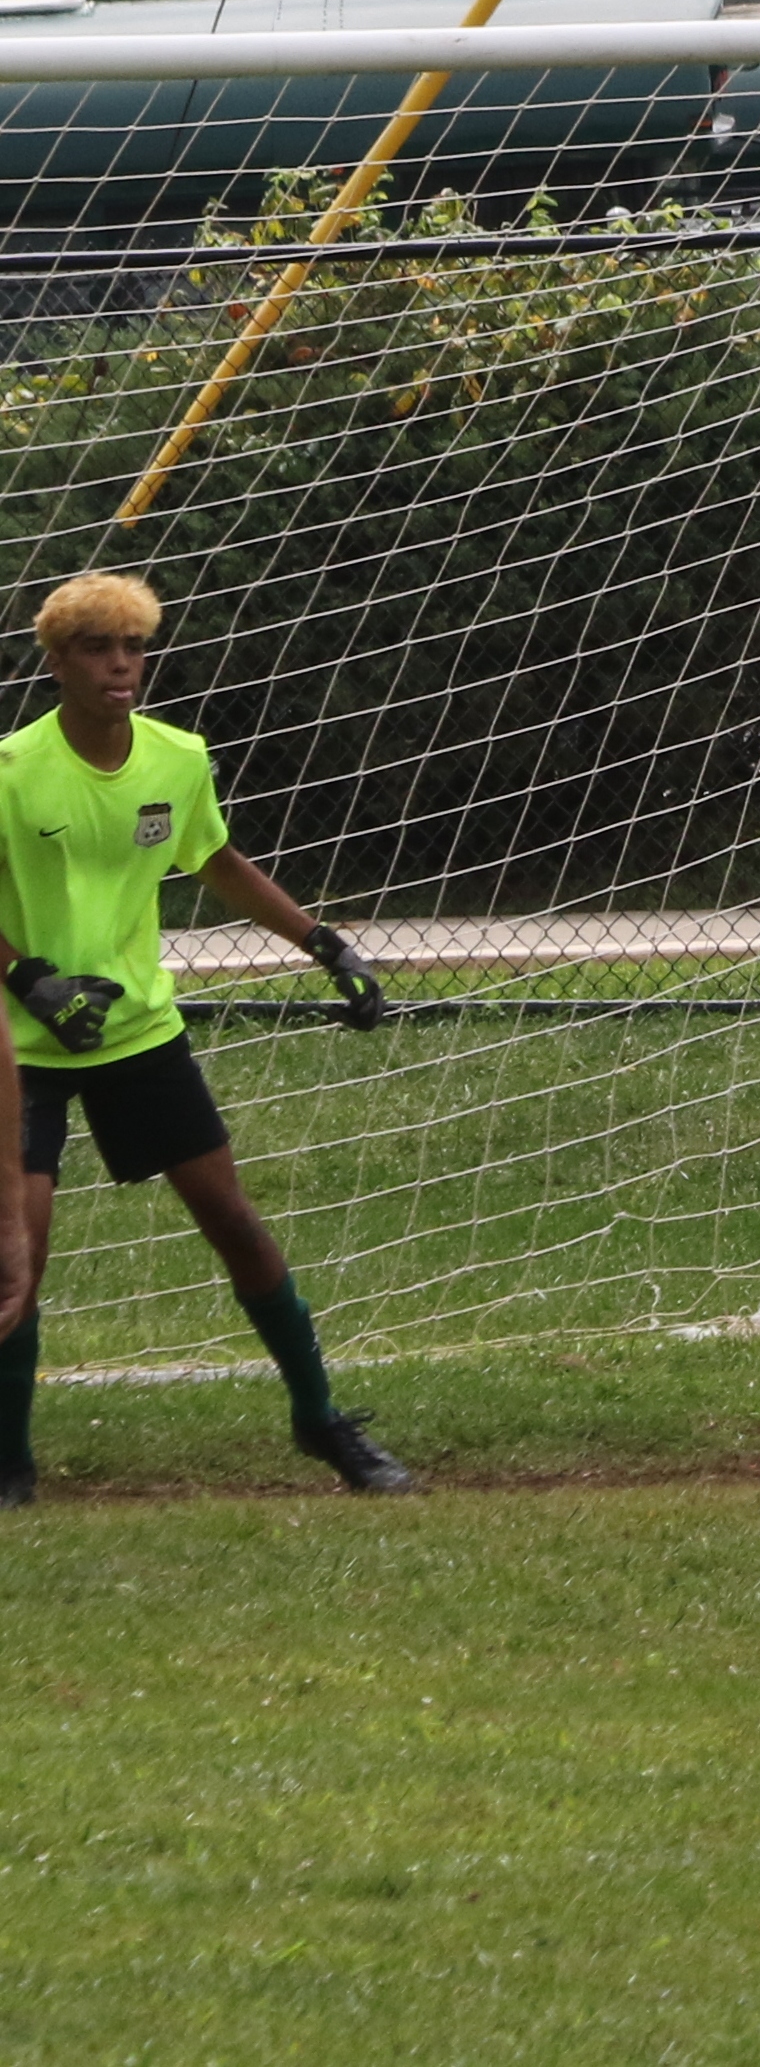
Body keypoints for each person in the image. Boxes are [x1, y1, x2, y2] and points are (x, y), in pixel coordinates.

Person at [0, 574, 408, 1506]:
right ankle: (9, 1463)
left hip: (140, 1031)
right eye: (97, 648)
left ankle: (320, 1420)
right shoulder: (12, 770)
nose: (120, 665)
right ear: (56, 663)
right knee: (20, 1248)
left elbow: (216, 859)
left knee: (234, 1222)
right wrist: (31, 981)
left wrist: (326, 945)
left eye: (133, 647)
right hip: (24, 1049)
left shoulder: (178, 758)